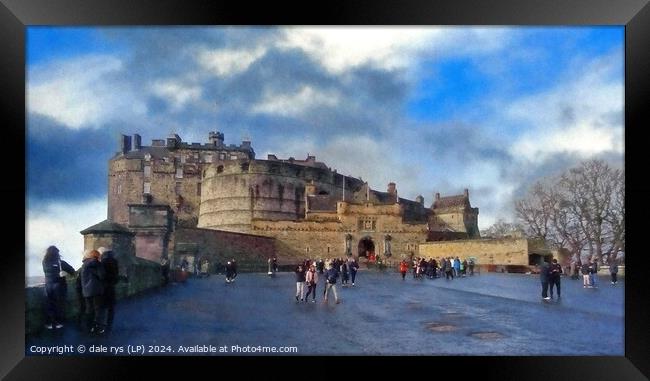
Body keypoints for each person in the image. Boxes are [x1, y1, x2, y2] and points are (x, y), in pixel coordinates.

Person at [42, 246, 76, 329]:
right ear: (57, 253)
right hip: (59, 286)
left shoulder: (44, 262)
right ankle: (58, 322)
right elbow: (72, 271)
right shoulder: (61, 263)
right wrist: (65, 273)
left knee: (49, 305)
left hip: (48, 286)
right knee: (59, 305)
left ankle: (50, 323)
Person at [81, 249, 107, 334]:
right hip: (97, 290)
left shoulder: (84, 265)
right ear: (97, 256)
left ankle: (89, 327)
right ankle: (98, 328)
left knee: (89, 309)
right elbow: (102, 276)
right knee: (98, 309)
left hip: (86, 291)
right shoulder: (98, 264)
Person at [99, 247, 119, 331]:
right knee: (111, 308)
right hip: (111, 287)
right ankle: (109, 324)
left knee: (102, 307)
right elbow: (116, 275)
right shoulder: (115, 261)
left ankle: (102, 324)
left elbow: (101, 275)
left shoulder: (103, 262)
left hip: (103, 287)